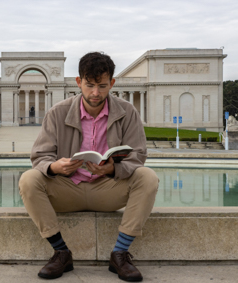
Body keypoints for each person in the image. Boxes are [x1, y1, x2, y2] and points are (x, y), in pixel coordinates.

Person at [19, 52, 159, 282]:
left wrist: (113, 169)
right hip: (67, 189)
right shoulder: (58, 112)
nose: (96, 93)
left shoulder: (127, 112)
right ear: (78, 82)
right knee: (28, 179)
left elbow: (138, 155)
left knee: (148, 177)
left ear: (112, 83)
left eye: (103, 86)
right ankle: (61, 252)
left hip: (107, 189)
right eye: (90, 85)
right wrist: (55, 167)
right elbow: (39, 156)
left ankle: (120, 254)